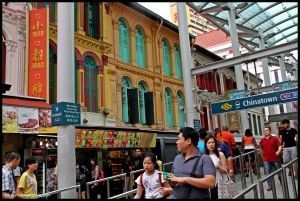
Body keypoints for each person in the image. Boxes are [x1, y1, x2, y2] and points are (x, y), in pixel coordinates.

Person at [164, 127, 216, 199]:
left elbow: (211, 183)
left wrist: (186, 180)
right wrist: (171, 181)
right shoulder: (177, 158)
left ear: (188, 141)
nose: (177, 142)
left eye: (179, 139)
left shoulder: (205, 159)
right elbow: (176, 181)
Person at [204, 135, 228, 199]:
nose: (211, 144)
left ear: (215, 143)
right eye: (209, 143)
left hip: (219, 183)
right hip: (207, 183)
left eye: (212, 142)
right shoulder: (203, 156)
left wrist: (218, 167)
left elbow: (226, 170)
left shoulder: (220, 154)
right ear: (206, 144)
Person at [260, 126, 282, 191]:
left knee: (279, 172)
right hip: (266, 159)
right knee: (267, 173)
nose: (265, 132)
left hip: (275, 159)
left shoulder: (275, 138)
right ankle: (270, 185)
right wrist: (263, 157)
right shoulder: (262, 140)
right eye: (264, 131)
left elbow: (280, 146)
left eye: (266, 130)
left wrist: (278, 151)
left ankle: (282, 181)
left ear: (270, 131)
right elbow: (261, 149)